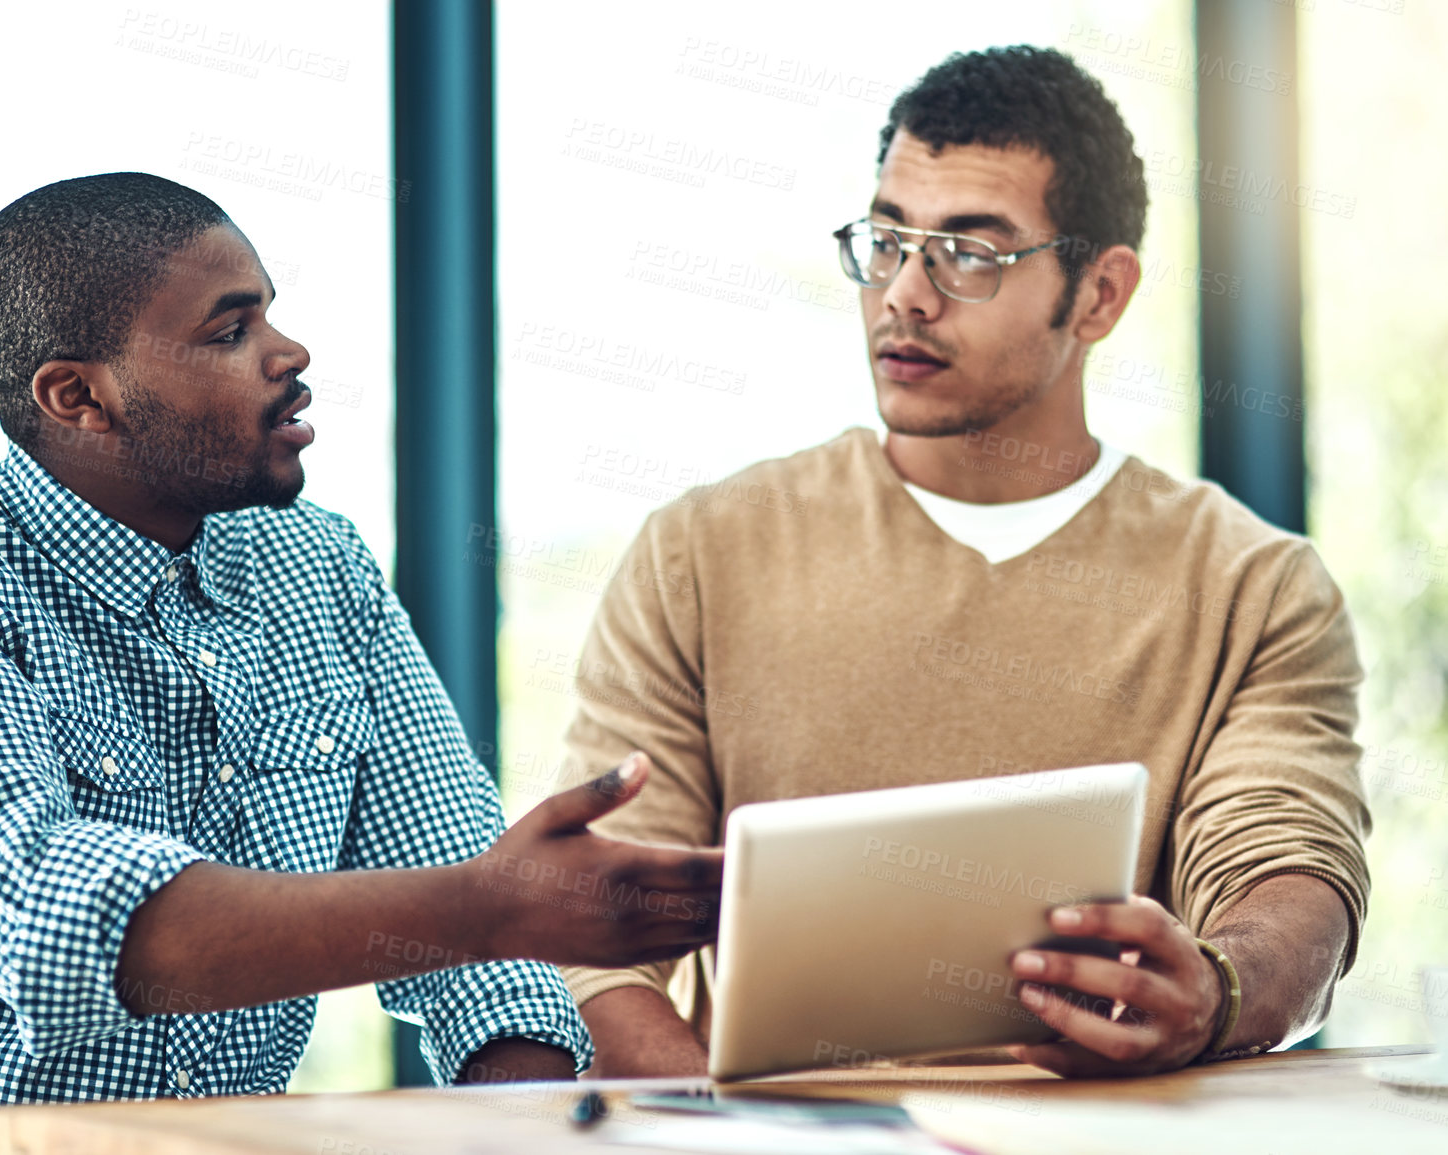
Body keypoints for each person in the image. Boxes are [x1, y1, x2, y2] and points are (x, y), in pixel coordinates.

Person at [0, 173, 721, 1155]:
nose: (290, 352)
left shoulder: (320, 567)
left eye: (269, 316)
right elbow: (56, 931)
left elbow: (462, 909)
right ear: (79, 397)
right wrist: (492, 908)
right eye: (230, 331)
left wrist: (532, 1113)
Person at [559, 46, 1368, 1079]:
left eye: (969, 256)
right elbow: (601, 938)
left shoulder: (1255, 586)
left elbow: (1290, 874)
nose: (905, 295)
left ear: (1100, 295)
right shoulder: (699, 552)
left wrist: (1220, 989)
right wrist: (724, 1136)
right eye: (888, 240)